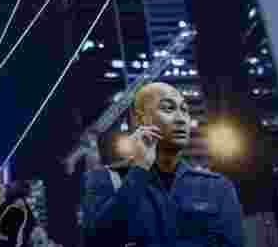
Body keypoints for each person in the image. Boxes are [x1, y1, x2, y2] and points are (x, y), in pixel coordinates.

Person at [82, 82, 244, 246]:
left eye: (185, 110)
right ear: (140, 120)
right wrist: (140, 168)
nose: (181, 119)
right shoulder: (105, 180)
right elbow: (97, 240)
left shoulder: (217, 187)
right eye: (168, 108)